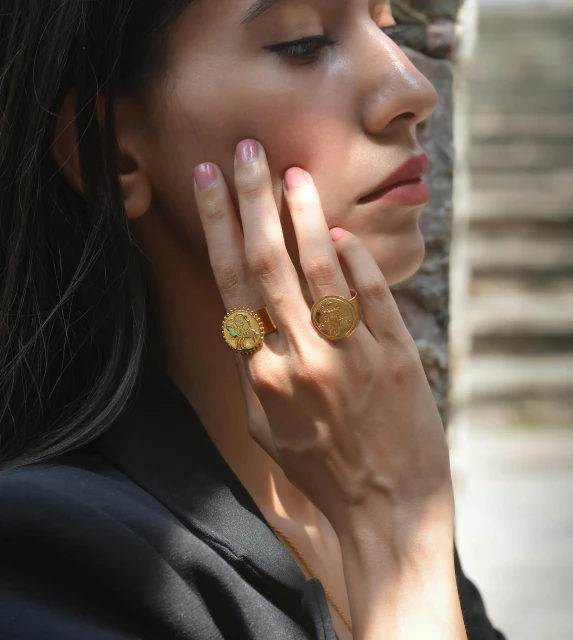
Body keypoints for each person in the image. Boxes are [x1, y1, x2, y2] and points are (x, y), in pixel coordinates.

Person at [0, 1, 505, 639]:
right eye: (304, 42)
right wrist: (395, 531)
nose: (413, 89)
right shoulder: (44, 564)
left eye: (386, 25)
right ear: (111, 154)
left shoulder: (355, 490)